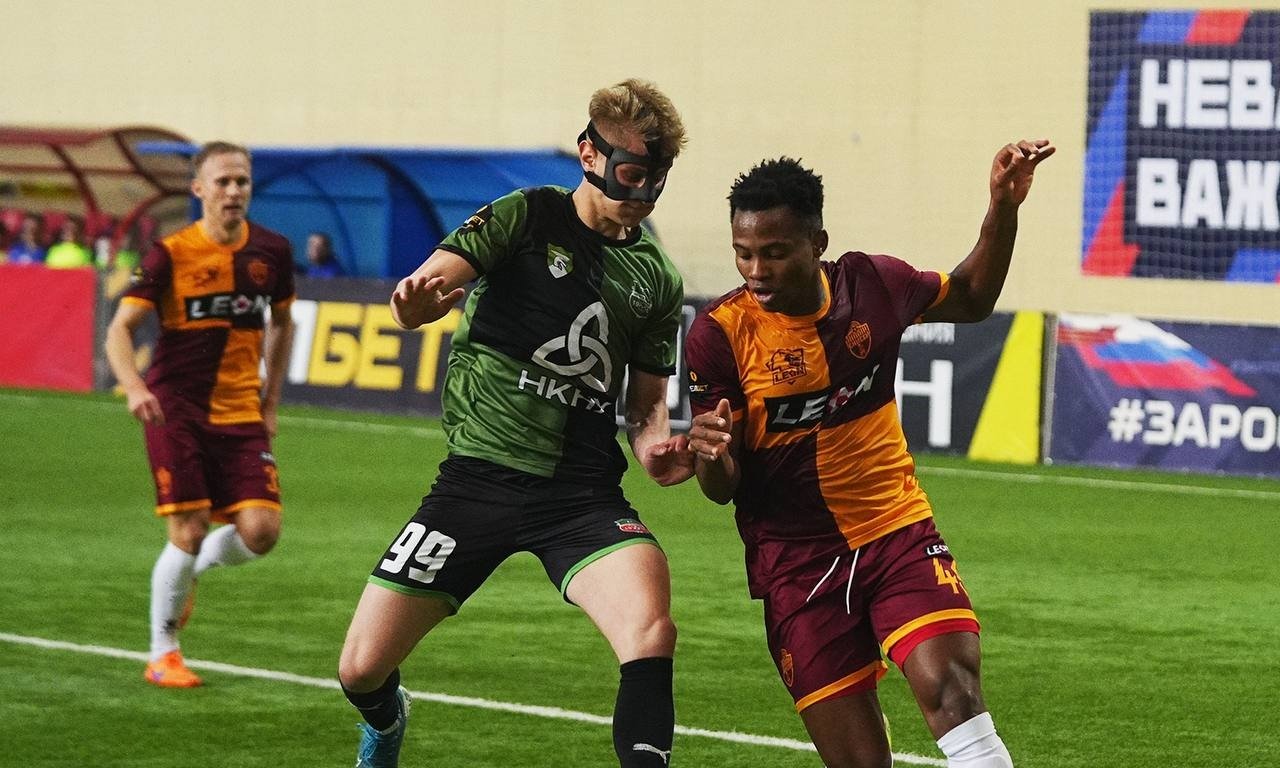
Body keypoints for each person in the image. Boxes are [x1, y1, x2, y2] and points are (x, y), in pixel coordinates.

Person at [337, 78, 692, 768]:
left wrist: (657, 450)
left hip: (582, 498)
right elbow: (431, 285)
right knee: (360, 670)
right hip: (476, 485)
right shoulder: (525, 215)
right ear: (589, 155)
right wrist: (416, 306)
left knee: (651, 631)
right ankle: (387, 719)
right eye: (632, 174)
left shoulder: (657, 279)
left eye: (658, 179)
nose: (644, 194)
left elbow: (647, 405)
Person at [684, 143, 1053, 768]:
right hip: (796, 564)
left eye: (774, 252)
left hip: (895, 531)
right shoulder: (719, 334)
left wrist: (1002, 208)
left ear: (817, 243)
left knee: (954, 693)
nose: (756, 270)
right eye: (743, 253)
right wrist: (712, 458)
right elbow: (723, 487)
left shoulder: (873, 285)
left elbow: (971, 297)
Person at [104, 141, 296, 688]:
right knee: (187, 529)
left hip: (240, 411)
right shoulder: (169, 254)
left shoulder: (272, 251)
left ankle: (194, 572)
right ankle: (162, 654)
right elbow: (119, 330)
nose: (234, 191)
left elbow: (283, 323)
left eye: (242, 181)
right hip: (176, 411)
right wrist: (134, 387)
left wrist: (270, 400)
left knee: (261, 531)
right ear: (199, 189)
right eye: (222, 182)